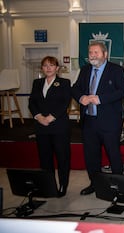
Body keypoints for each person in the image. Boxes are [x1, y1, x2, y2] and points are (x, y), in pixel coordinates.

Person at [72, 41, 124, 195]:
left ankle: (119, 185)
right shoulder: (84, 70)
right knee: (91, 156)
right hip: (89, 121)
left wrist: (101, 99)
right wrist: (81, 97)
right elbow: (75, 88)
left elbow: (122, 91)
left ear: (105, 54)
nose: (93, 56)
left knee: (113, 155)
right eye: (90, 53)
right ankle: (94, 184)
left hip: (109, 122)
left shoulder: (116, 70)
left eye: (96, 52)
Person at [28, 56, 72, 197]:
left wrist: (51, 117)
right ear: (42, 68)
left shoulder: (64, 82)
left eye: (51, 65)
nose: (48, 68)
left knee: (62, 158)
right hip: (42, 127)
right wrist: (39, 116)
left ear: (57, 68)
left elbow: (65, 102)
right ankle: (49, 186)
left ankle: (63, 186)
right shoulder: (37, 83)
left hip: (58, 126)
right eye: (45, 65)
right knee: (45, 159)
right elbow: (32, 103)